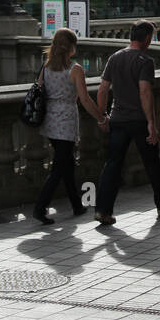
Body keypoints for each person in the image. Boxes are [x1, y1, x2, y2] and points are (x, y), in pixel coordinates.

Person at [94, 21, 160, 227]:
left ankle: (102, 210)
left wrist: (103, 115)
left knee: (112, 164)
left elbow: (103, 89)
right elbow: (145, 92)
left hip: (117, 119)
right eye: (152, 37)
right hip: (138, 120)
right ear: (147, 38)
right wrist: (151, 122)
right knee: (152, 163)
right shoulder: (145, 61)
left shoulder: (114, 58)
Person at [33, 28, 106, 224]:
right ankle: (40, 208)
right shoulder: (75, 70)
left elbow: (39, 92)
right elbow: (85, 99)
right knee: (59, 168)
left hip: (49, 122)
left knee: (67, 164)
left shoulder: (45, 67)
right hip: (65, 123)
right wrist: (100, 118)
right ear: (71, 47)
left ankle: (76, 204)